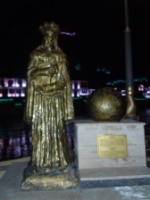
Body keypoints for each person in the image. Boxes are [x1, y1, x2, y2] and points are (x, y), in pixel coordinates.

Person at [24, 21, 75, 175]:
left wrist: (53, 86)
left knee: (57, 130)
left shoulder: (60, 56)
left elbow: (64, 79)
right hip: (40, 99)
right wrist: (43, 75)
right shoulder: (35, 54)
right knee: (40, 130)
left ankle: (59, 159)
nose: (48, 39)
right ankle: (40, 161)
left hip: (55, 98)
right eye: (46, 36)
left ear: (55, 38)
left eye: (51, 36)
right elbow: (30, 75)